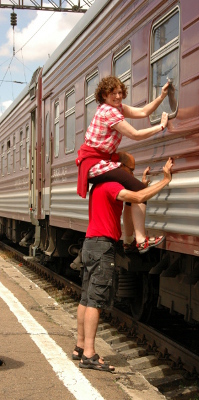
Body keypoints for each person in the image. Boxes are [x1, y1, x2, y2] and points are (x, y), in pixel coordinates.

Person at [72, 155, 173, 372]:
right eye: (131, 170)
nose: (131, 175)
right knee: (96, 301)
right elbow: (138, 198)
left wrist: (141, 183)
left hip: (90, 244)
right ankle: (89, 355)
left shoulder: (98, 185)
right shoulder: (111, 185)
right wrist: (165, 181)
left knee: (86, 297)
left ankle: (79, 347)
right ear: (119, 168)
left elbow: (132, 196)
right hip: (102, 247)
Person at [76, 76, 170, 254]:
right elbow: (135, 134)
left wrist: (161, 97)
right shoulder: (108, 112)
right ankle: (140, 240)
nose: (118, 96)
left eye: (120, 92)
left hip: (100, 160)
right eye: (113, 93)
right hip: (95, 164)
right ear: (104, 95)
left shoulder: (116, 108)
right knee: (139, 190)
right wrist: (161, 127)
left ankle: (129, 240)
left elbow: (142, 112)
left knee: (133, 192)